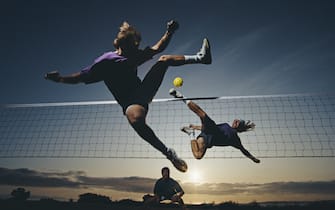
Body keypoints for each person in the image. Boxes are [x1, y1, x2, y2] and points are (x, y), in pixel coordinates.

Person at [44, 20, 212, 172]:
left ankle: (201, 58)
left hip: (143, 91)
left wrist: (170, 32)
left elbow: (158, 48)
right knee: (136, 119)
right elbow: (79, 78)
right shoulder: (105, 61)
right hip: (130, 102)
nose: (135, 50)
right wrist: (59, 79)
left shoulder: (134, 55)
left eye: (135, 46)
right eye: (131, 45)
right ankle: (168, 153)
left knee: (163, 59)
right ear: (120, 44)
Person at [169, 89, 260, 163]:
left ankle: (191, 135)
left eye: (238, 122)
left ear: (240, 127)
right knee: (203, 115)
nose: (235, 121)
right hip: (211, 129)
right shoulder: (226, 125)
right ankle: (182, 97)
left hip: (208, 140)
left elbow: (244, 151)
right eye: (236, 121)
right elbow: (206, 127)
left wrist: (252, 158)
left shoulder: (235, 140)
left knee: (198, 156)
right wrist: (195, 127)